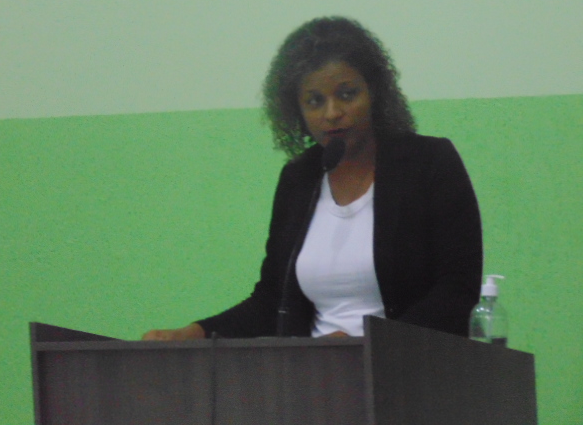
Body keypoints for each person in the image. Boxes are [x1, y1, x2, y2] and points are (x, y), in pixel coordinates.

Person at [142, 17, 482, 341]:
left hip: (408, 367)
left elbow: (457, 291)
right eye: (315, 101)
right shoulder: (299, 179)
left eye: (347, 94)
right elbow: (273, 300)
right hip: (316, 372)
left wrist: (368, 344)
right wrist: (196, 332)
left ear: (374, 92)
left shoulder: (428, 163)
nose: (332, 113)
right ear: (297, 111)